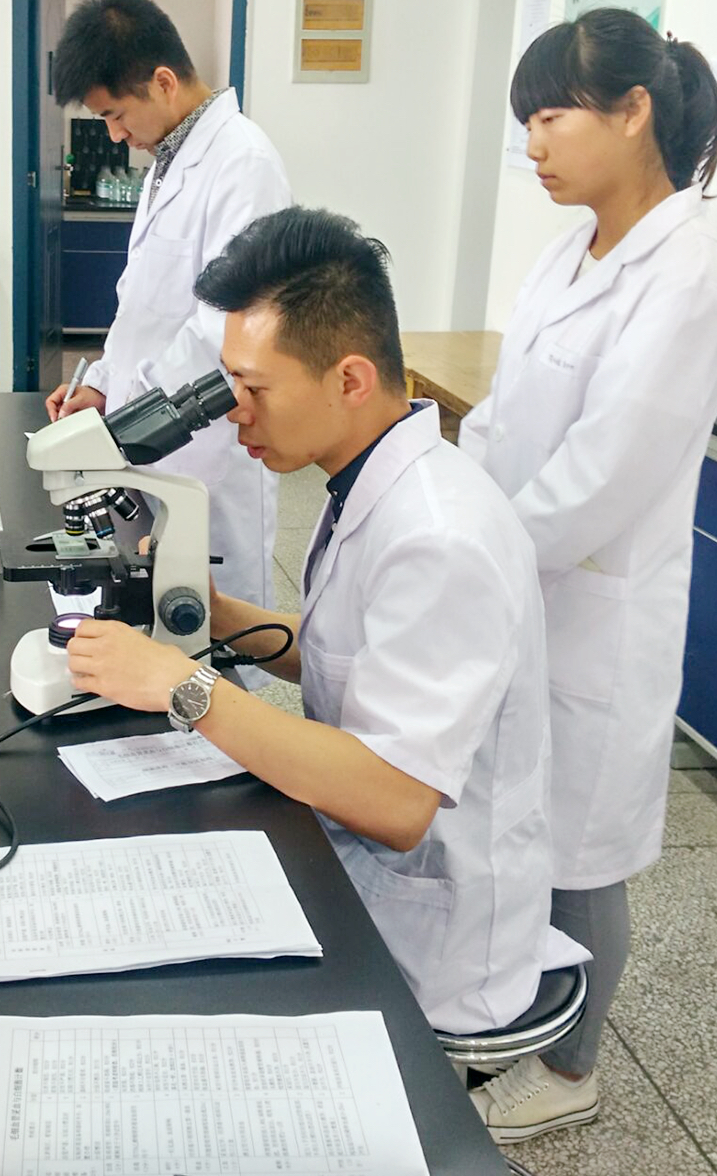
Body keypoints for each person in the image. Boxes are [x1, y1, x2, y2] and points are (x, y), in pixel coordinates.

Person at [63, 206, 566, 1037]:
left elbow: (397, 799)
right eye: (228, 385)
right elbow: (348, 651)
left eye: (254, 389)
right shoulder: (371, 478)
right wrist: (222, 618)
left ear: (350, 380)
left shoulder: (441, 537)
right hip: (353, 859)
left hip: (425, 937)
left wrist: (184, 687)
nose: (234, 412)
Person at [457, 7, 717, 1142]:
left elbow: (604, 473)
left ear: (633, 113)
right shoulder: (567, 250)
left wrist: (481, 557)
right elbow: (503, 417)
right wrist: (455, 510)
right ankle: (509, 1018)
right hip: (520, 580)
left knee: (579, 853)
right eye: (526, 121)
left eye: (552, 117)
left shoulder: (687, 275)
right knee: (514, 824)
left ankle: (571, 1070)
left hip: (594, 612)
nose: (532, 143)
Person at [46, 0, 290, 608]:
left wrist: (125, 410)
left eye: (116, 115)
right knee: (154, 604)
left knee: (219, 624)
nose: (114, 135)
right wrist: (102, 384)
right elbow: (141, 304)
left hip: (207, 446)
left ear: (162, 82)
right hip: (149, 432)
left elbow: (223, 327)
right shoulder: (166, 161)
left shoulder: (244, 164)